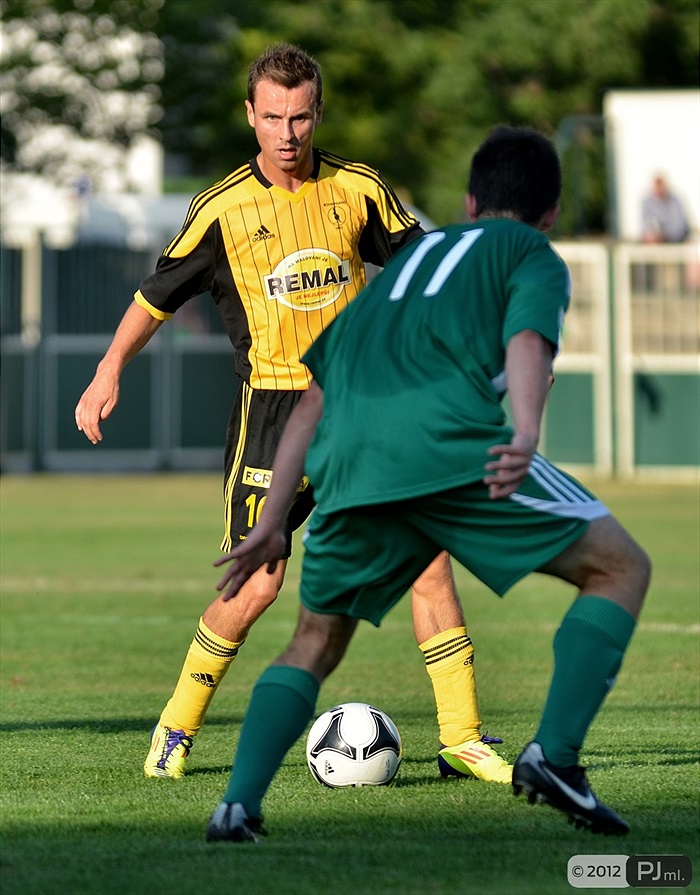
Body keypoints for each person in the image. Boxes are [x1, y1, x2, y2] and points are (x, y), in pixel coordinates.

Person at [74, 43, 510, 785]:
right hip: (272, 413)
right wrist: (108, 369)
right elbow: (156, 296)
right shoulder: (221, 208)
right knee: (257, 583)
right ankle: (175, 729)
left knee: (426, 560)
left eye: (300, 116)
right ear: (251, 116)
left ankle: (462, 738)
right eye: (272, 116)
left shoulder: (359, 188)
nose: (287, 132)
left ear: (317, 113)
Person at [206, 125, 651, 843]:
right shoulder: (530, 251)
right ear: (552, 214)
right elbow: (529, 339)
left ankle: (236, 806)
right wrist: (527, 432)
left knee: (314, 640)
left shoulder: (412, 260)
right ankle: (554, 757)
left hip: (350, 462)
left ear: (470, 200)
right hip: (448, 447)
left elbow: (314, 399)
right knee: (622, 566)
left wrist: (273, 518)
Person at [641, 174, 690, 244]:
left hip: (675, 240)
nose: (659, 189)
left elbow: (680, 226)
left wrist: (664, 236)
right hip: (655, 242)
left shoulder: (675, 200)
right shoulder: (647, 202)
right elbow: (645, 224)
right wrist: (652, 235)